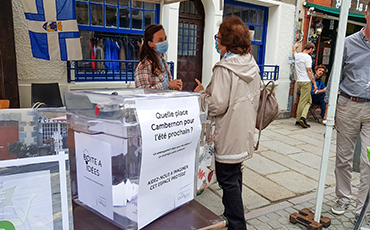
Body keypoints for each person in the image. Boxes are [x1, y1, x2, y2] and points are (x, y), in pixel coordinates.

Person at [194, 16, 260, 230]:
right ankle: (232, 216)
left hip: (228, 133)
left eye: (218, 38)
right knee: (235, 175)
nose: (216, 41)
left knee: (228, 180)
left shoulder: (224, 68)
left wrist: (202, 94)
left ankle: (236, 224)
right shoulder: (251, 64)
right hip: (244, 132)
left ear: (227, 42)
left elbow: (217, 105)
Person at [325, 2, 370, 225]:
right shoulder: (348, 43)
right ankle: (343, 198)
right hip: (348, 104)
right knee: (343, 157)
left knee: (369, 161)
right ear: (367, 16)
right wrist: (329, 107)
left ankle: (364, 211)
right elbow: (335, 75)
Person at [135, 24, 182, 90]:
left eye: (165, 39)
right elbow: (143, 92)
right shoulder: (144, 65)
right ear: (150, 44)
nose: (164, 42)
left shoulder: (163, 63)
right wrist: (168, 85)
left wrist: (174, 88)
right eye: (160, 40)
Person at [293, 42, 317, 128]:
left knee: (308, 101)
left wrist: (295, 47)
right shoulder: (308, 57)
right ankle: (300, 118)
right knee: (303, 101)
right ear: (310, 49)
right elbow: (309, 71)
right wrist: (314, 83)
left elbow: (294, 52)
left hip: (299, 81)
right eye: (312, 50)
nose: (312, 52)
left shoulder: (297, 56)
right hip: (306, 81)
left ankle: (301, 118)